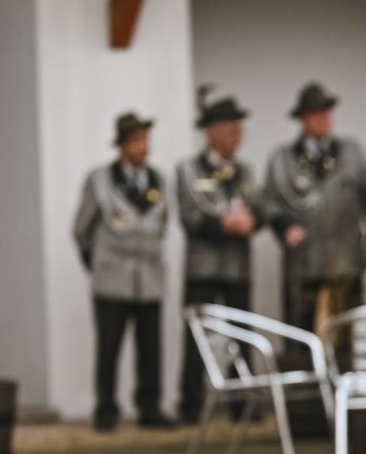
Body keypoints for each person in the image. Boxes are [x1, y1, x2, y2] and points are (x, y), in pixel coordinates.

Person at [71, 112, 173, 431]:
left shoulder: (157, 179)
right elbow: (82, 229)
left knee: (150, 347)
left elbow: (162, 223)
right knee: (109, 346)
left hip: (149, 276)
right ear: (122, 145)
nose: (143, 147)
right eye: (137, 141)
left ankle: (150, 406)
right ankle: (106, 408)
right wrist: (96, 263)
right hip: (113, 276)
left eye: (146, 140)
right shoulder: (100, 179)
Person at [262, 81, 366, 347]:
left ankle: (343, 372)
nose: (323, 119)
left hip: (344, 259)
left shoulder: (350, 152)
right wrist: (284, 227)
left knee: (344, 335)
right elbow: (269, 202)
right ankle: (302, 375)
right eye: (316, 114)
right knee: (300, 337)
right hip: (303, 261)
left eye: (326, 112)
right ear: (303, 119)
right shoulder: (283, 158)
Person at [176, 87, 260, 424]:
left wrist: (252, 220)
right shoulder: (188, 169)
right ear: (211, 133)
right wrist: (225, 223)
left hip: (238, 267)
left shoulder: (245, 171)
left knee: (241, 333)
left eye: (239, 131)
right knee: (197, 336)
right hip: (203, 267)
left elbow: (259, 205)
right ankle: (191, 404)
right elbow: (190, 215)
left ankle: (242, 403)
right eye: (229, 131)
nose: (236, 138)